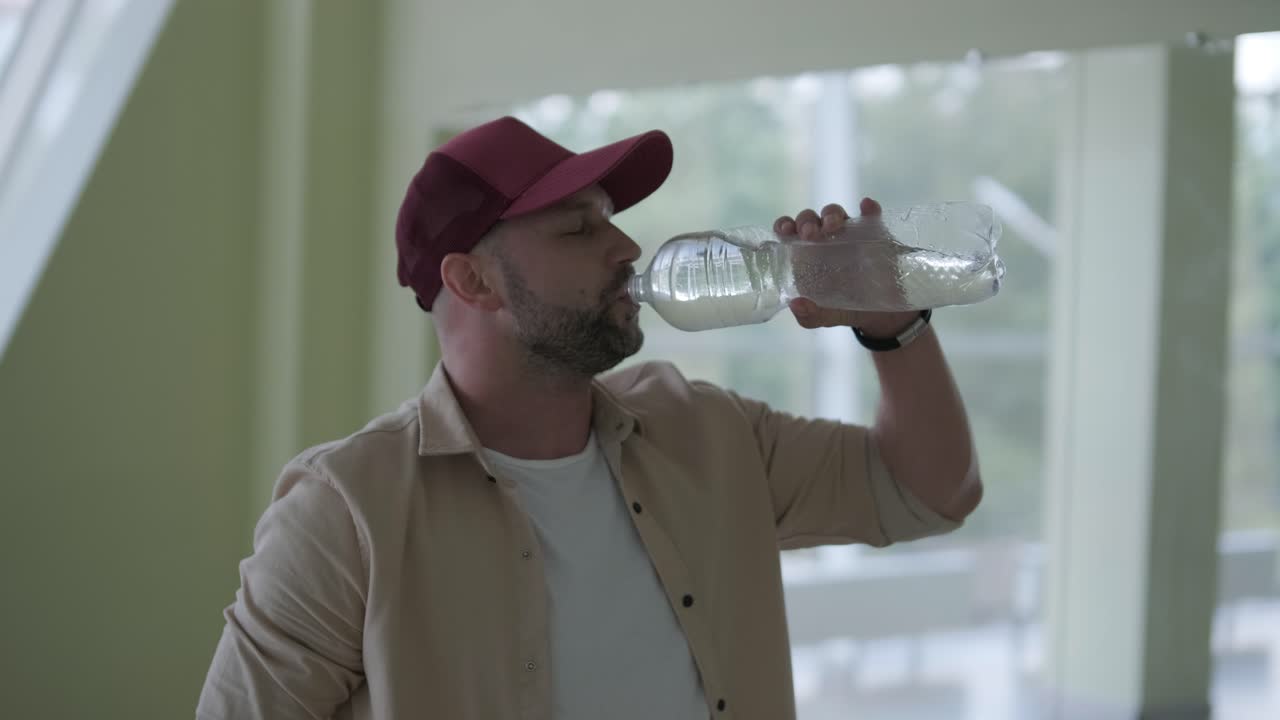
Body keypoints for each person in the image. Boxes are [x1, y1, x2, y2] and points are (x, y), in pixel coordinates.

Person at [196, 116, 982, 720]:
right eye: (579, 227)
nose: (627, 245)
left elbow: (929, 491)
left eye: (609, 218)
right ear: (473, 281)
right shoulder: (348, 508)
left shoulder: (705, 431)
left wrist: (892, 327)